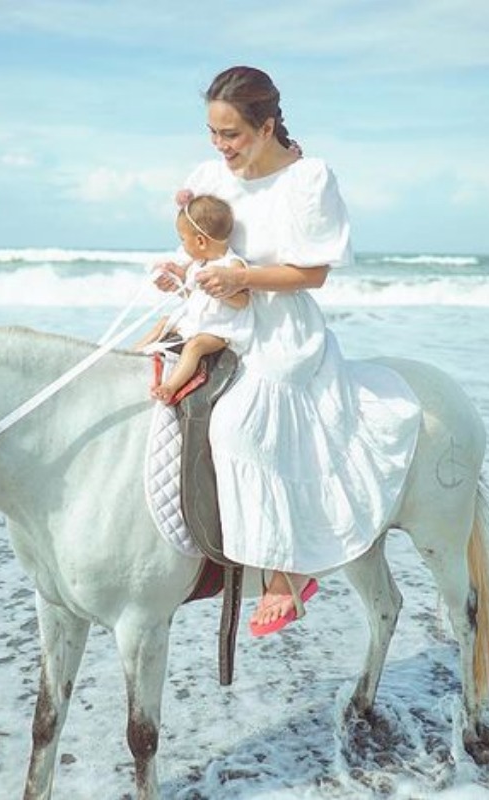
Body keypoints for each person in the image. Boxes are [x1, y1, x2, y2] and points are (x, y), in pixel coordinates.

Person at [157, 66, 422, 636]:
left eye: (230, 134)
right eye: (212, 132)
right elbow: (200, 245)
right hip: (216, 312)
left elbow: (313, 273)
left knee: (237, 426)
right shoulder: (209, 174)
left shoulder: (309, 181)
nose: (219, 146)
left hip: (280, 329)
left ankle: (284, 573)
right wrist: (180, 271)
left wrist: (243, 280)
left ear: (267, 125)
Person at [135, 194, 252, 404]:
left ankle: (170, 387)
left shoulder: (233, 264)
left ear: (200, 241)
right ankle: (132, 354)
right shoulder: (198, 264)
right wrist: (176, 282)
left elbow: (243, 302)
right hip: (195, 321)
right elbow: (192, 295)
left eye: (182, 239)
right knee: (164, 322)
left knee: (195, 346)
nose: (182, 244)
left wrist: (222, 292)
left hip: (219, 330)